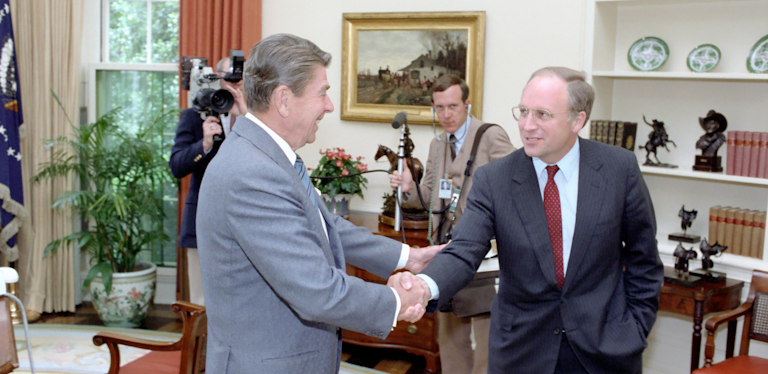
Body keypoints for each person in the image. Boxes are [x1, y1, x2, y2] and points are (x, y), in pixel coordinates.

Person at [195, 33, 440, 373]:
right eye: (322, 92)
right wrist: (399, 299)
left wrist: (408, 257)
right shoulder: (252, 173)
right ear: (283, 99)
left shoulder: (266, 157)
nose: (329, 106)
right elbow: (317, 291)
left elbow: (325, 226)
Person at [392, 67, 663, 374]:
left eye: (542, 114)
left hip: (605, 351)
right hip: (521, 352)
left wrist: (635, 327)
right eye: (523, 112)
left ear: (577, 120)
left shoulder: (618, 168)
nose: (527, 125)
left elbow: (644, 259)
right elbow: (464, 250)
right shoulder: (495, 179)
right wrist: (424, 286)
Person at [389, 74, 515, 374]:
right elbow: (427, 197)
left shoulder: (490, 136)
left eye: (453, 106)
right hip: (445, 251)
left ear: (467, 104)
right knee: (450, 339)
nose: (446, 114)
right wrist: (408, 187)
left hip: (485, 256)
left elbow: (516, 185)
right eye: (440, 108)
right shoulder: (437, 144)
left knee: (487, 341)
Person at [169, 55, 248, 305]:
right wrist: (203, 144)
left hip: (246, 223)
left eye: (241, 80)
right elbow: (176, 166)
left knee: (242, 302)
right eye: (231, 80)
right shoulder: (195, 115)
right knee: (202, 303)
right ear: (217, 80)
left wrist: (246, 116)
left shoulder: (256, 118)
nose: (236, 86)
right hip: (202, 220)